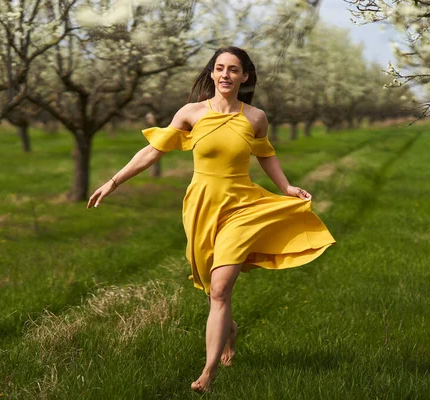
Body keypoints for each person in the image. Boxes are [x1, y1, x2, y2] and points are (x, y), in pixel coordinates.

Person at [87, 46, 336, 393]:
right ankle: (229, 332)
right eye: (219, 68)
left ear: (244, 76)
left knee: (220, 289)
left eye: (233, 70)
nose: (225, 75)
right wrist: (113, 182)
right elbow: (152, 151)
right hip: (202, 204)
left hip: (242, 206)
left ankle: (207, 373)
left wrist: (286, 186)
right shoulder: (190, 114)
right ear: (211, 73)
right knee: (208, 285)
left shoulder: (255, 117)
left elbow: (266, 155)